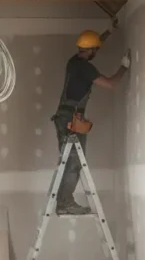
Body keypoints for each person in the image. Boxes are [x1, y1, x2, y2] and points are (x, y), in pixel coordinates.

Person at [52, 28, 130, 216]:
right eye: (95, 49)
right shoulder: (87, 68)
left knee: (70, 161)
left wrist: (107, 34)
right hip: (72, 119)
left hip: (65, 116)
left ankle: (63, 200)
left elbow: (92, 46)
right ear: (91, 50)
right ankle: (65, 203)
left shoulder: (74, 61)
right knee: (74, 162)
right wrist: (124, 67)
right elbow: (111, 84)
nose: (96, 51)